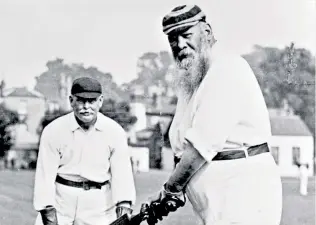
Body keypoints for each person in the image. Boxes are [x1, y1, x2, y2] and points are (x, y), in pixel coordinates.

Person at [147, 5, 283, 225]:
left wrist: (171, 189)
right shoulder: (192, 80)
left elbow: (201, 146)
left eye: (186, 35)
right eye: (173, 39)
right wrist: (171, 191)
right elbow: (181, 146)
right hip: (217, 202)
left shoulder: (227, 68)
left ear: (207, 32)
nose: (180, 45)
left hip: (243, 196)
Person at [33, 77, 136, 225]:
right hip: (61, 201)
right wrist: (49, 216)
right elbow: (44, 178)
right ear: (71, 100)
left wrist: (124, 212)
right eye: (80, 100)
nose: (86, 106)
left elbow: (123, 177)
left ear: (100, 101)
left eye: (92, 101)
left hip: (99, 205)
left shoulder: (114, 131)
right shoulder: (53, 130)